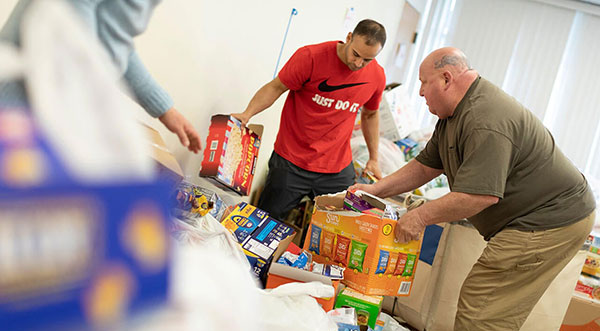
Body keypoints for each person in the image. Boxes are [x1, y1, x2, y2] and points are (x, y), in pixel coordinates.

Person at [351, 47, 596, 331]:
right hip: (543, 216)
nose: (419, 92)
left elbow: (479, 196)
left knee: (483, 302)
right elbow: (426, 166)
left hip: (548, 220)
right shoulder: (453, 114)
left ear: (445, 79)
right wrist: (374, 189)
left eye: (423, 82)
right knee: (496, 309)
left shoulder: (485, 119)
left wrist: (419, 217)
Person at [232, 19, 387, 220]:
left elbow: (371, 114)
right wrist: (247, 114)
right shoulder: (311, 57)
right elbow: (276, 87)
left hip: (336, 167)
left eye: (367, 60)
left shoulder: (376, 76)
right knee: (265, 222)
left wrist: (374, 158)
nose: (358, 64)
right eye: (356, 54)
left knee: (337, 228)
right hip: (291, 160)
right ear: (349, 38)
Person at [0, 0, 201, 153]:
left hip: (60, 98)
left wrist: (165, 109)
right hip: (28, 98)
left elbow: (113, 41)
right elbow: (73, 32)